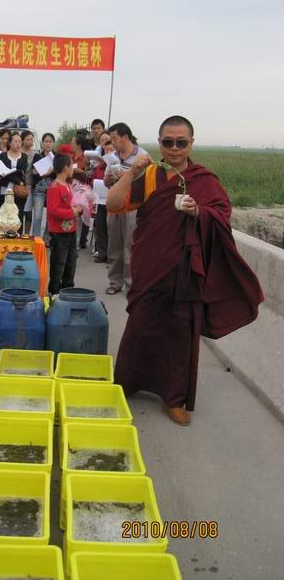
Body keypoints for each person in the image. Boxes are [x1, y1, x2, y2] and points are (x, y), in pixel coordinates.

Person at [107, 116, 264, 426]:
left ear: (191, 144)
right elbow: (112, 204)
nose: (175, 148)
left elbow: (222, 215)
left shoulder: (204, 180)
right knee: (141, 326)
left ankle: (174, 398)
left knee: (180, 334)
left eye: (181, 142)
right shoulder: (150, 175)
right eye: (168, 142)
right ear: (159, 143)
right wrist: (133, 172)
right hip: (151, 265)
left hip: (186, 269)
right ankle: (128, 382)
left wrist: (200, 212)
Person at [104, 122, 146, 295]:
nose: (113, 143)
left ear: (126, 137)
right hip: (114, 207)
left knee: (130, 246)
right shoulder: (112, 157)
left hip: (131, 207)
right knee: (113, 246)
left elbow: (145, 184)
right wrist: (109, 178)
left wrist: (127, 177)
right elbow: (106, 182)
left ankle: (131, 284)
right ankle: (114, 282)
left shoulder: (142, 156)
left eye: (114, 139)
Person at [47, 154, 83, 296]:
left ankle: (68, 289)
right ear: (65, 168)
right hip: (59, 232)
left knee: (71, 261)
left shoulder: (68, 186)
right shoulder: (54, 187)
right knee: (58, 263)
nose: (73, 168)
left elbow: (71, 204)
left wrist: (80, 208)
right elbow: (53, 210)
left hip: (71, 230)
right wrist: (72, 212)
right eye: (71, 165)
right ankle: (54, 291)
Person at [0, 132, 28, 229]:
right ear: (10, 143)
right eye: (15, 141)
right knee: (4, 216)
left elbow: (22, 172)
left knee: (18, 216)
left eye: (20, 142)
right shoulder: (2, 156)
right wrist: (17, 179)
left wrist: (8, 172)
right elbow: (1, 172)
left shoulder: (24, 156)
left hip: (19, 191)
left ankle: (18, 236)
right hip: (4, 189)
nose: (18, 144)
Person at [31, 132, 56, 243]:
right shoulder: (38, 156)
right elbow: (34, 172)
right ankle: (36, 239)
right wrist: (47, 172)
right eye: (46, 142)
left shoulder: (56, 156)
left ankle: (47, 239)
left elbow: (59, 173)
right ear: (42, 143)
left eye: (50, 142)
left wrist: (51, 171)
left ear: (53, 143)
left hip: (52, 188)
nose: (48, 144)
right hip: (39, 188)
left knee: (51, 215)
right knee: (37, 215)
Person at [20, 130, 36, 234]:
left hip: (30, 186)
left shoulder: (35, 154)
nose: (30, 141)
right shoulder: (18, 152)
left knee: (29, 213)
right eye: (28, 139)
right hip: (19, 186)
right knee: (19, 213)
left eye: (31, 139)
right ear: (22, 140)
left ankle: (26, 235)